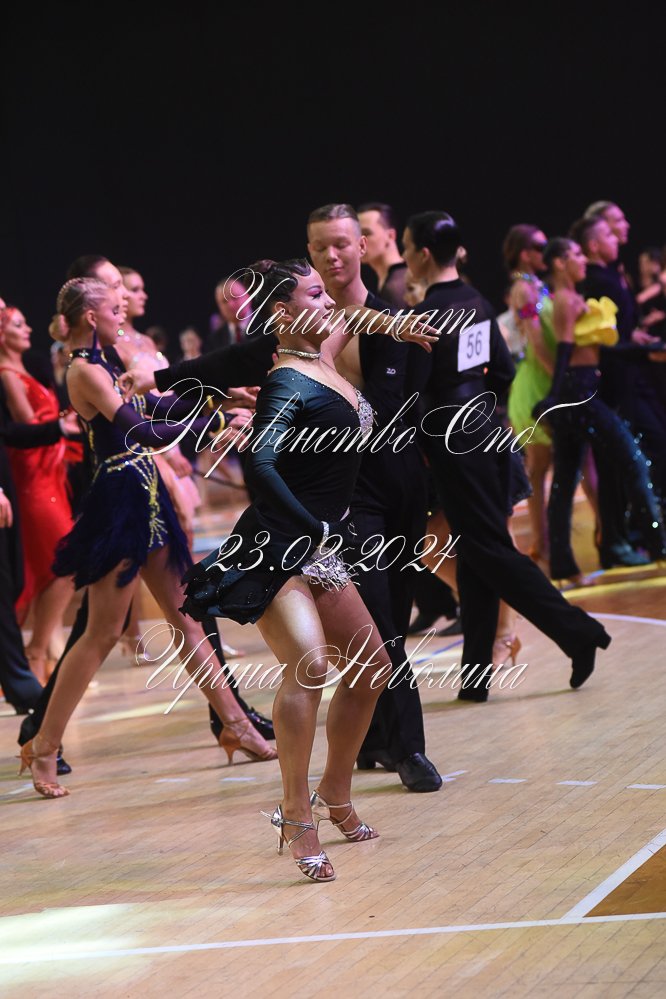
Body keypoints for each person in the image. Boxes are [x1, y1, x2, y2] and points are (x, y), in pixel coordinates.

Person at [179, 257, 436, 881]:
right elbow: (262, 464)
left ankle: (336, 792)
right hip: (277, 546)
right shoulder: (286, 382)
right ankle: (296, 814)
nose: (328, 302)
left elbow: (350, 313)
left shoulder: (322, 351)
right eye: (314, 294)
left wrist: (393, 325)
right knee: (312, 666)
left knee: (372, 669)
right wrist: (314, 526)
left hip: (321, 548)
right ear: (282, 311)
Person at [18, 277, 277, 799]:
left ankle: (236, 724)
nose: (122, 316)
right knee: (102, 632)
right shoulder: (85, 370)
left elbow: (158, 408)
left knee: (187, 617)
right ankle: (43, 746)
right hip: (120, 501)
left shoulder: (109, 360)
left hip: (145, 491)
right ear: (91, 318)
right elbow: (143, 431)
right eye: (114, 309)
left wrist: (220, 402)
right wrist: (212, 425)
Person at [403, 210, 612, 701]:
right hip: (485, 429)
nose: (407, 258)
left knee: (486, 550)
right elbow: (501, 372)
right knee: (477, 551)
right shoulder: (475, 302)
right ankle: (476, 677)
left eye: (408, 249)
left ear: (423, 254)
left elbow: (414, 390)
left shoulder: (425, 315)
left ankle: (578, 631)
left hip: (452, 439)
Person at [307, 203, 442, 792]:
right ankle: (410, 750)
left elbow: (394, 412)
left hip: (401, 488)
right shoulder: (300, 327)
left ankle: (375, 739)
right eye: (320, 247)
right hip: (348, 496)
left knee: (394, 620)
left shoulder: (393, 322)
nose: (332, 256)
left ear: (362, 246)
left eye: (341, 243)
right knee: (381, 623)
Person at [534, 237, 666, 580]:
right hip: (579, 392)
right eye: (576, 254)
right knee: (633, 461)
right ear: (560, 263)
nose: (582, 260)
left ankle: (563, 563)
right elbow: (564, 350)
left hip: (578, 389)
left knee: (565, 478)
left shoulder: (571, 297)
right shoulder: (566, 299)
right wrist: (553, 397)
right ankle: (659, 545)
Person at [0, 306, 75, 682]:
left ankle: (32, 657)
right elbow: (27, 427)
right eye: (19, 324)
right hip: (32, 477)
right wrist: (60, 427)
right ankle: (34, 653)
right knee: (65, 561)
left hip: (50, 470)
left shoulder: (27, 367)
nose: (28, 328)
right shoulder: (7, 374)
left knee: (49, 569)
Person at [357, 202, 409, 308]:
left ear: (390, 235)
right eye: (357, 234)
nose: (360, 241)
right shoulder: (394, 279)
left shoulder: (397, 284)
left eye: (366, 233)